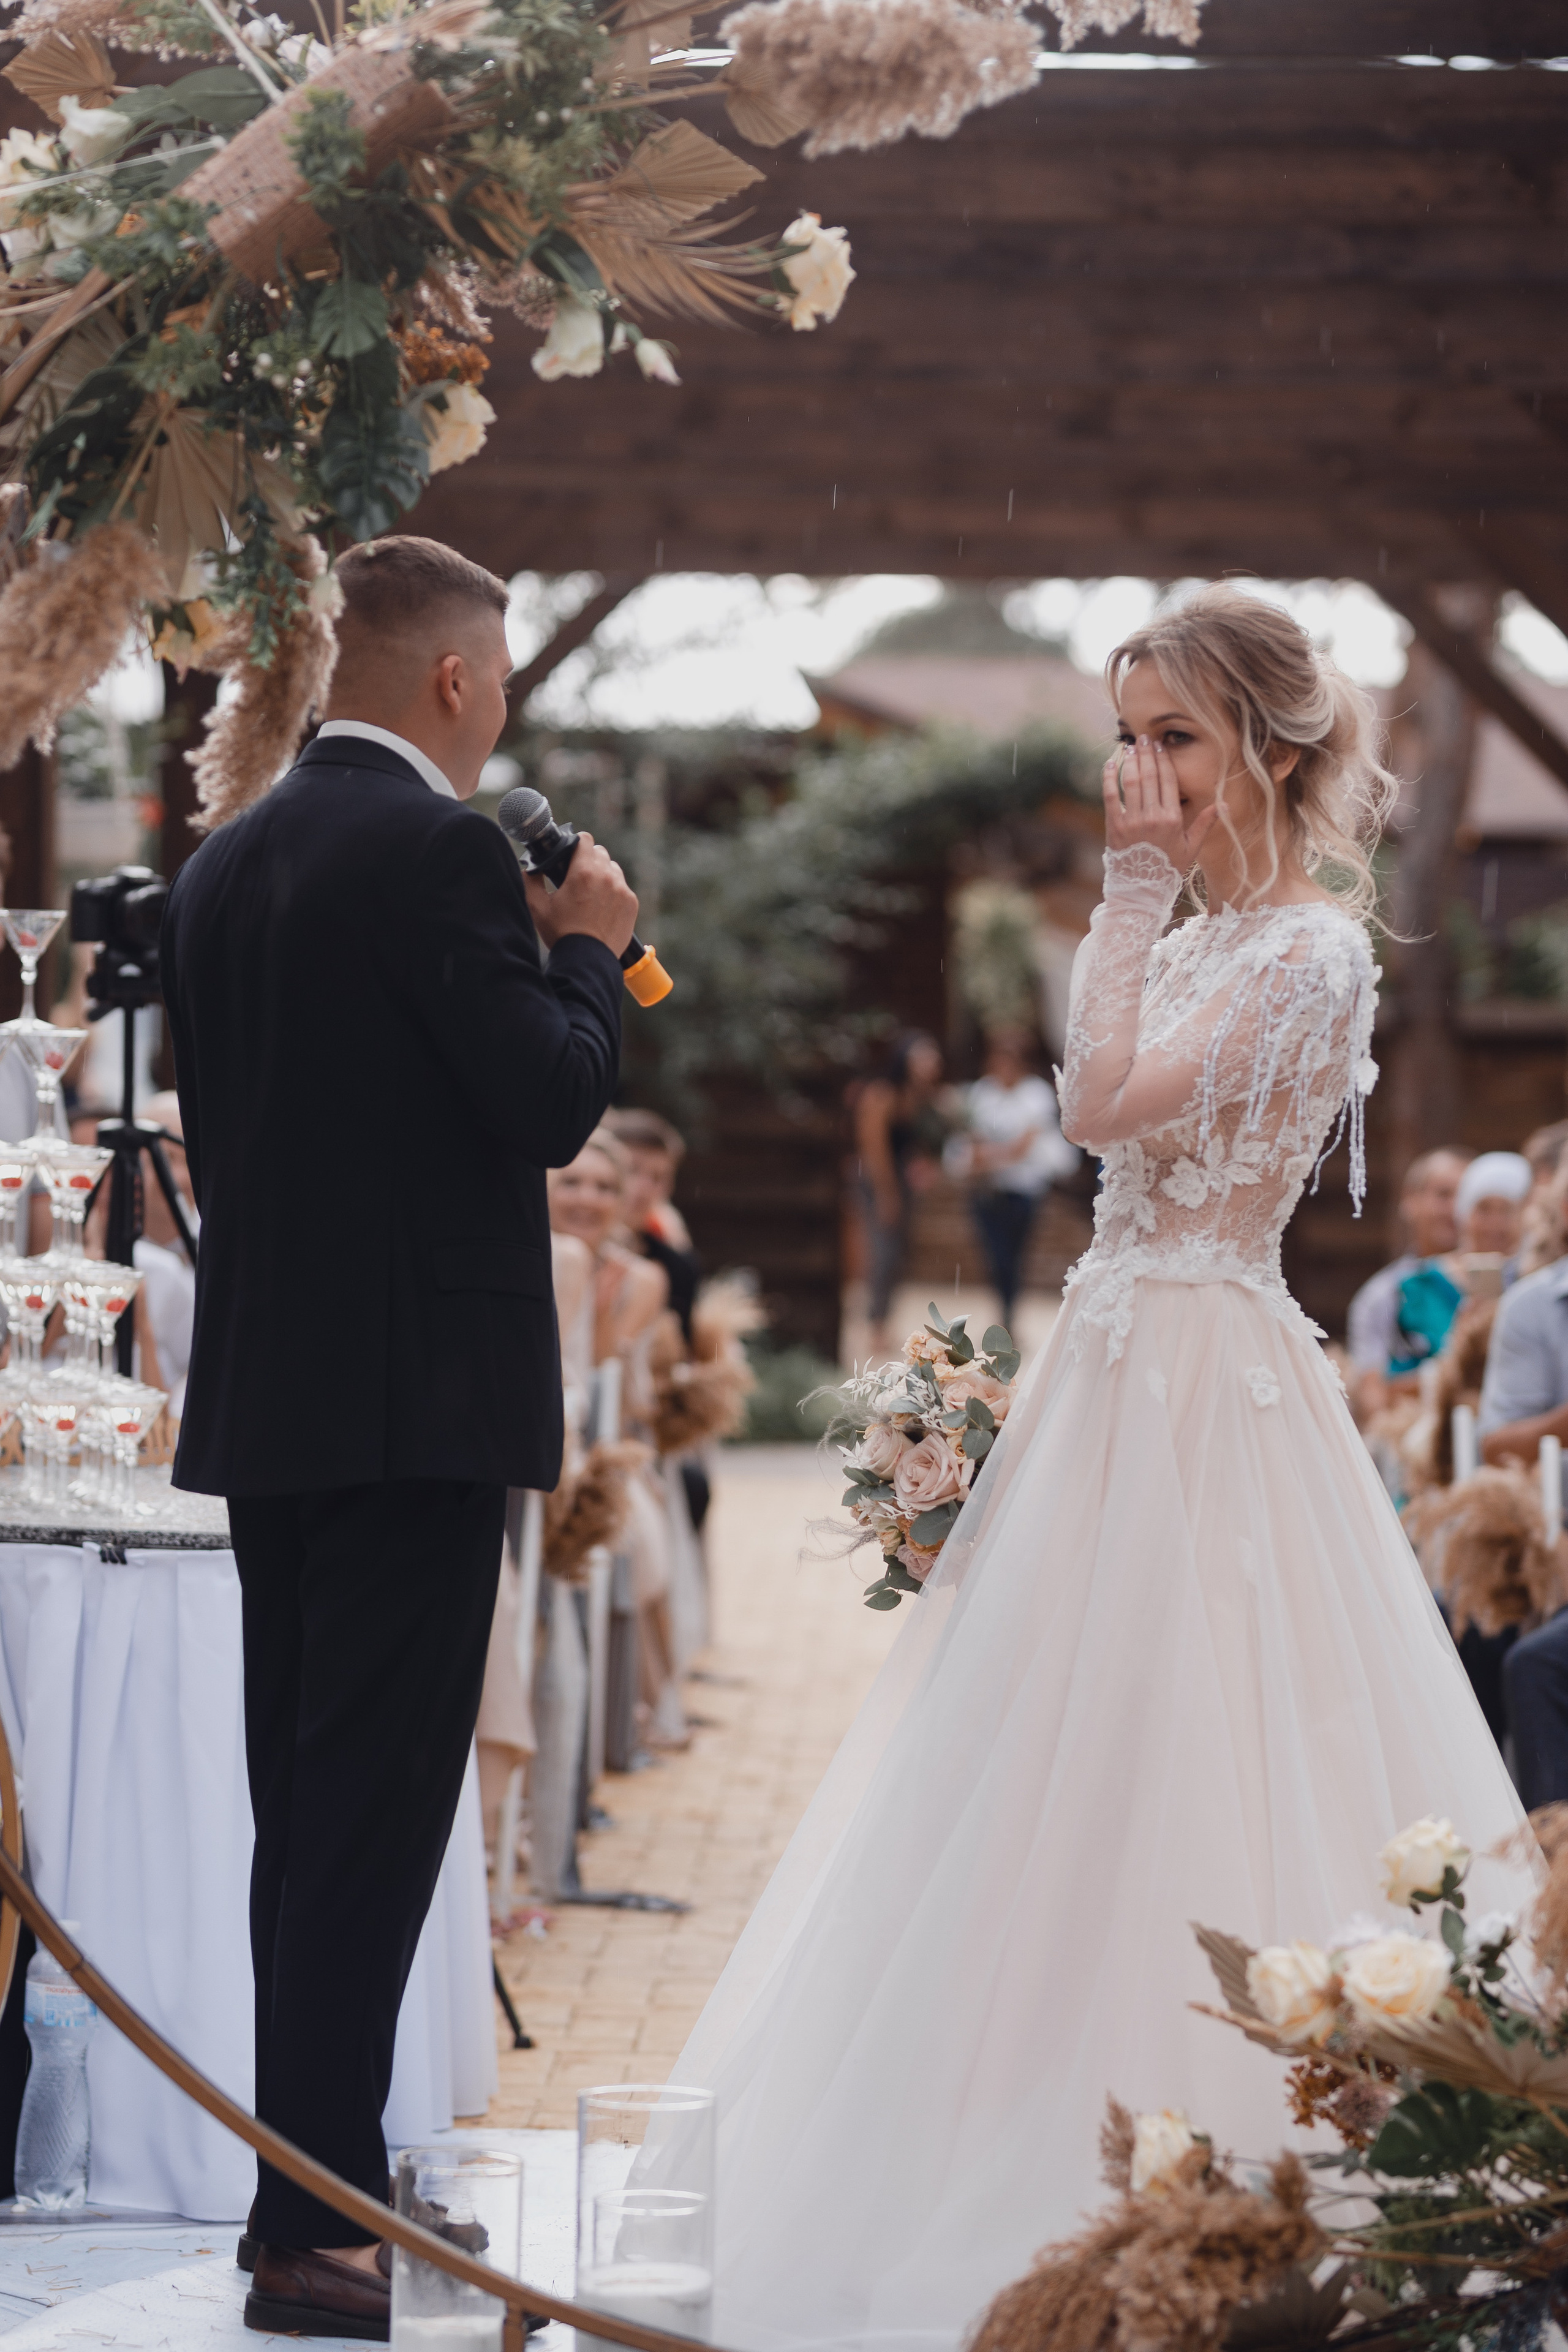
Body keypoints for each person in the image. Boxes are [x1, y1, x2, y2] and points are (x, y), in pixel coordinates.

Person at [668, 586, 1529, 2352]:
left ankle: (1242, 2151)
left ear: (1269, 747)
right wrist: (1137, 911)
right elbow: (1104, 1105)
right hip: (1111, 1360)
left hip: (1207, 1377)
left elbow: (1102, 1103)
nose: (1140, 775)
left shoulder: (1309, 951)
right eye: (1124, 739)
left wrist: (1124, 902)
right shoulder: (1185, 930)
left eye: (1175, 738)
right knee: (1037, 1748)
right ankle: (998, 2111)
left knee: (1203, 1725)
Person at [159, 533, 635, 2342]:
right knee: (367, 1823)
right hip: (412, 1402)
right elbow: (547, 1098)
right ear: (450, 679)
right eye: (497, 678)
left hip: (275, 1395)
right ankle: (315, 2228)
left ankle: (316, 2186)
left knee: (310, 1817)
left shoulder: (229, 856)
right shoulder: (437, 849)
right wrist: (589, 954)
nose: (498, 706)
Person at [1479, 1240, 1568, 1806]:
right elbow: (1496, 1446)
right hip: (1548, 1527)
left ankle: (1551, 1849)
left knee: (1538, 1663)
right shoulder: (1533, 1305)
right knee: (1473, 1630)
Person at [944, 1026, 1077, 1326]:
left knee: (1014, 1256)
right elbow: (973, 1141)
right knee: (995, 1257)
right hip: (986, 1191)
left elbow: (1021, 1148)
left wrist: (986, 1157)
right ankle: (1004, 1311)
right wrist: (993, 1156)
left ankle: (1009, 1313)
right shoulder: (981, 1093)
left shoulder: (1036, 1094)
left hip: (1023, 1191)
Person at [1345, 1148, 1469, 1424]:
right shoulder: (1382, 1295)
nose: (1455, 1210)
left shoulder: (1504, 1283)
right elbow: (1373, 1399)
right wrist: (1446, 1379)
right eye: (1444, 1195)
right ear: (1411, 1201)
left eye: (1466, 1197)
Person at [854, 1030, 945, 1355]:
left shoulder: (919, 1097)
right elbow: (873, 1149)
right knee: (883, 1254)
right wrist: (886, 1195)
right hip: (877, 1183)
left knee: (898, 1255)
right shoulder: (882, 1094)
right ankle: (875, 1326)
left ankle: (884, 1322)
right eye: (924, 1056)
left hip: (902, 1185)